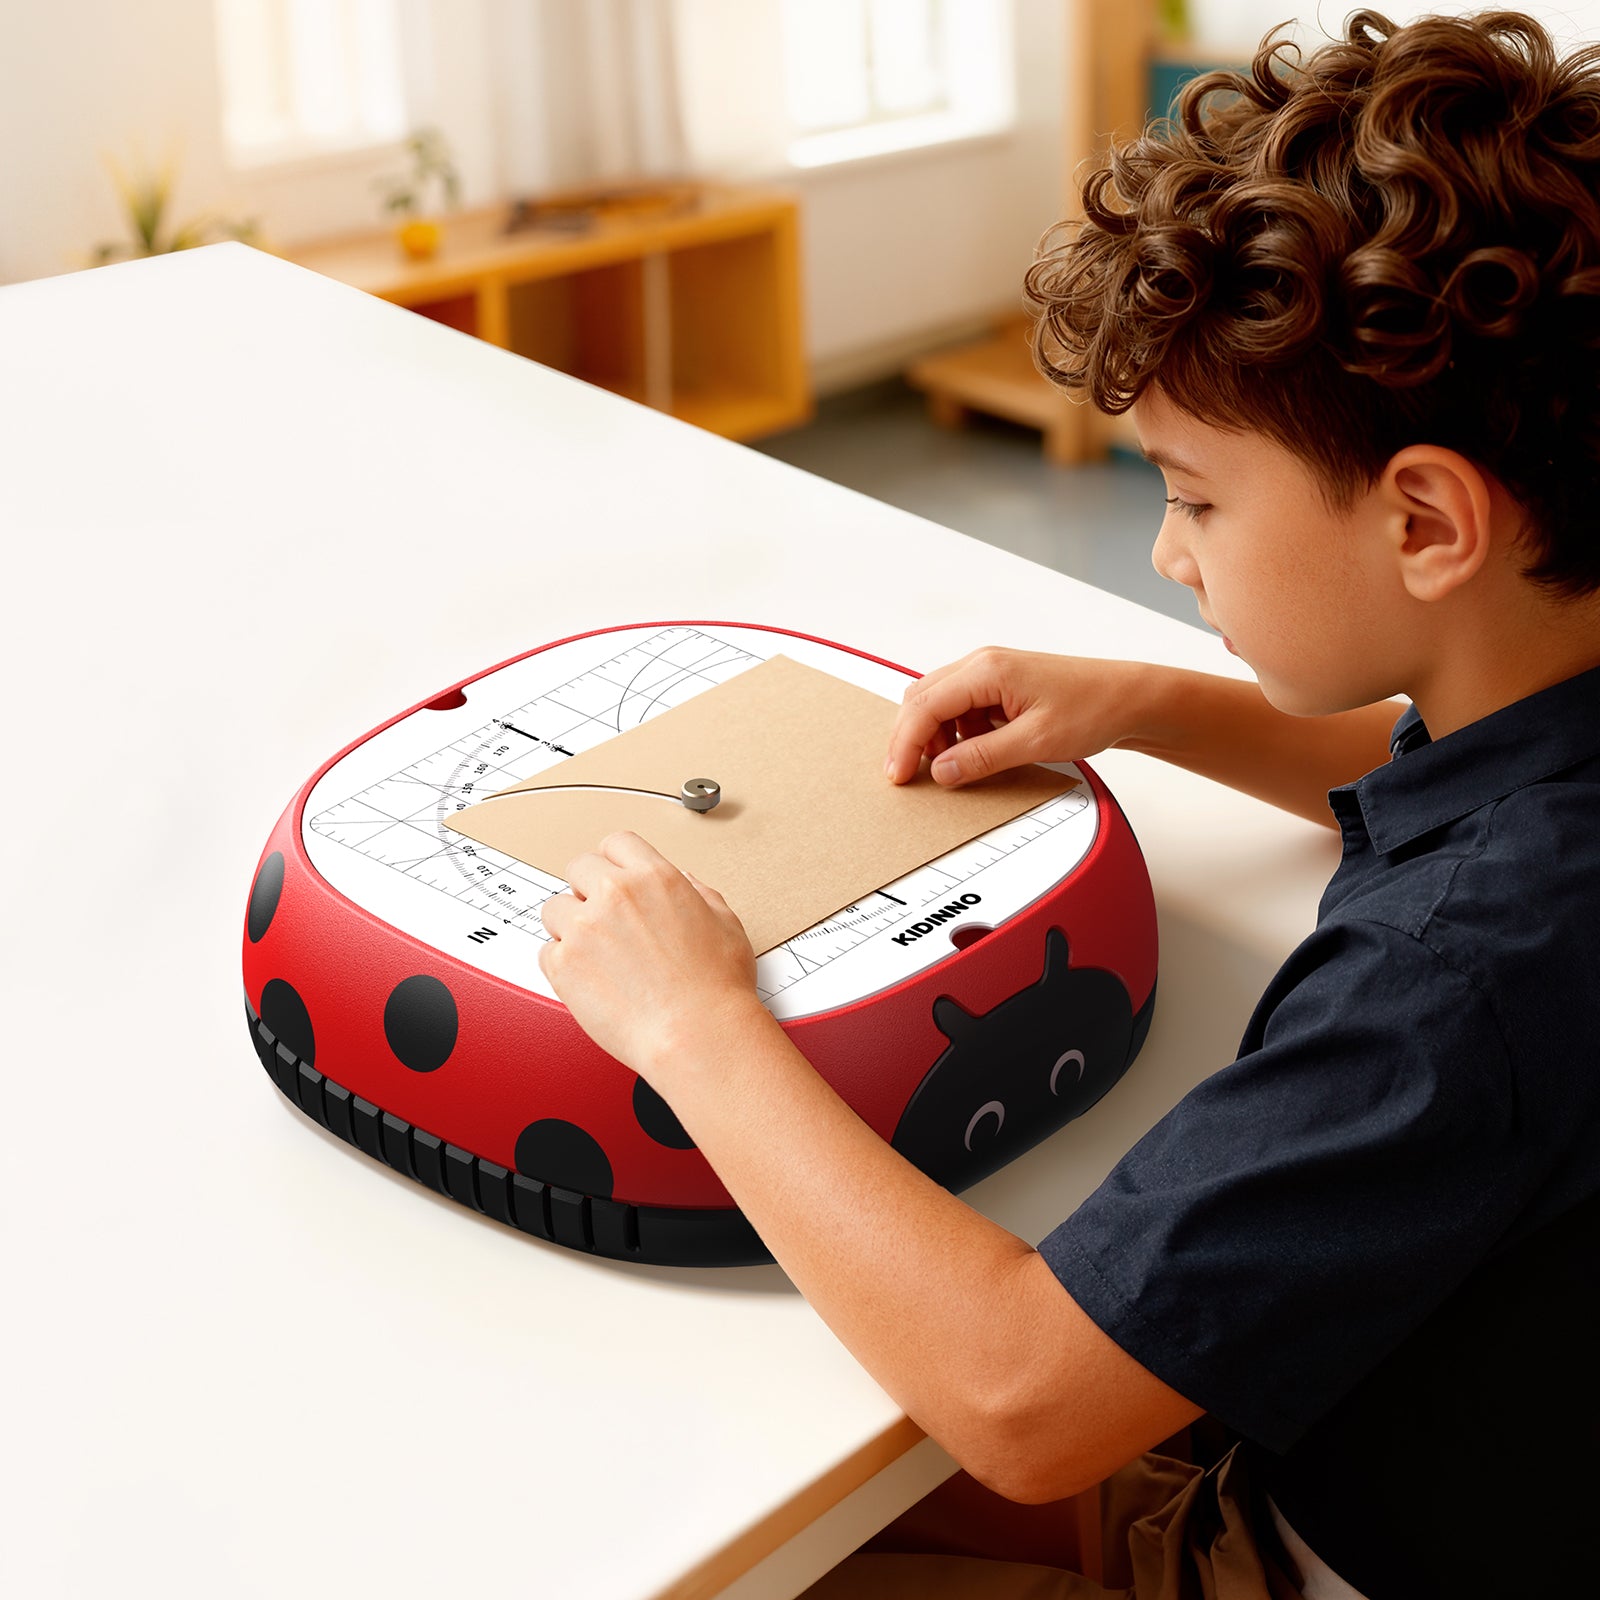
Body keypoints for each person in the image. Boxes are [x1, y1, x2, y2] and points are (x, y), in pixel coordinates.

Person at [536, 11, 1600, 1596]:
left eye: (1195, 499)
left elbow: (1020, 1404)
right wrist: (1151, 705)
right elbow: (1446, 778)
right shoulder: (1549, 725)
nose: (1168, 556)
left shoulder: (1451, 984)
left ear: (1428, 522)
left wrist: (693, 1023)